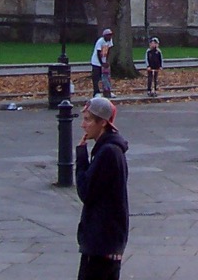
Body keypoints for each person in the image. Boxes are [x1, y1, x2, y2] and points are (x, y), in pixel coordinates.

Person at [75, 97, 129, 280]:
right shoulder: (108, 149)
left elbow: (85, 191)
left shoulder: (107, 152)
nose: (83, 125)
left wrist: (81, 157)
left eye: (88, 120)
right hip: (106, 239)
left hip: (102, 241)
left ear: (103, 123)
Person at [91, 28, 114, 97]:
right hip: (96, 62)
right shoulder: (100, 41)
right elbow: (98, 53)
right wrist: (101, 63)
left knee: (106, 77)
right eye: (108, 35)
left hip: (103, 61)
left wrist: (107, 61)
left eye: (110, 35)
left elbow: (109, 51)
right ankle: (96, 92)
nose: (110, 37)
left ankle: (107, 91)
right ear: (104, 36)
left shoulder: (110, 41)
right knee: (96, 77)